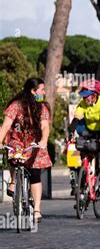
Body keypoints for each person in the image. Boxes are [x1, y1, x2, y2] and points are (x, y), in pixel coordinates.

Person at [0, 78, 52, 222]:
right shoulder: (16, 106)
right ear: (33, 91)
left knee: (35, 175)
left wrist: (43, 140)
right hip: (17, 140)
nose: (44, 92)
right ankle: (13, 181)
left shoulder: (42, 108)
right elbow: (5, 126)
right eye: (41, 90)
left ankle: (36, 209)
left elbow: (45, 126)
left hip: (34, 142)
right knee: (14, 157)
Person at [67, 79, 100, 189]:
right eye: (83, 96)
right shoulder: (82, 104)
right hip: (91, 130)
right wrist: (70, 133)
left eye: (86, 96)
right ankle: (85, 172)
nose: (84, 98)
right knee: (83, 148)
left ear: (94, 95)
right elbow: (75, 120)